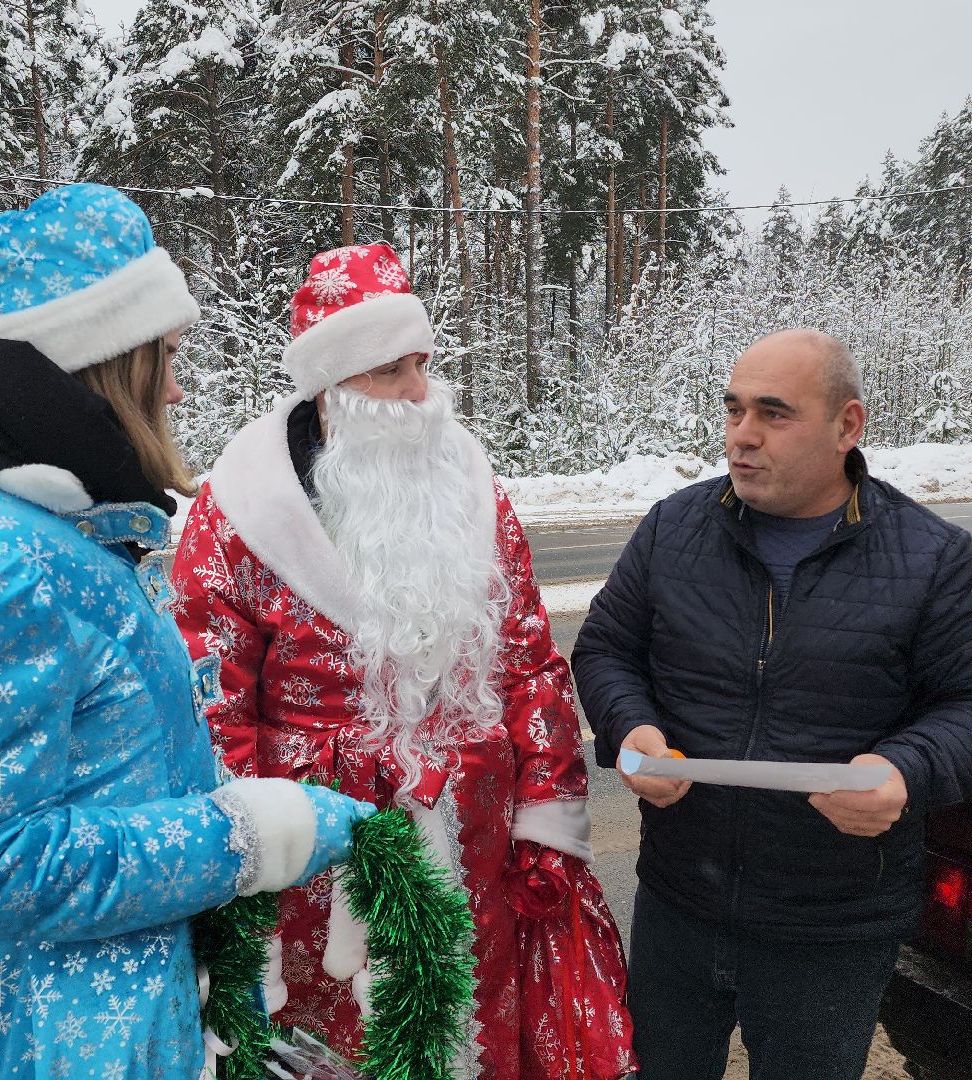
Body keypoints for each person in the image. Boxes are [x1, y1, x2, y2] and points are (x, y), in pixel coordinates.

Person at [0, 183, 373, 1080]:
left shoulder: (67, 542)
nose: (177, 385)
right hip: (25, 1045)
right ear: (100, 362)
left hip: (95, 1035)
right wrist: (243, 836)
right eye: (164, 354)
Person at [172, 244, 634, 1079]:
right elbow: (209, 703)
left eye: (422, 363)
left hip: (473, 836)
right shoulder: (240, 513)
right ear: (331, 385)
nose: (420, 394)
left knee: (470, 1029)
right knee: (339, 1048)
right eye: (390, 371)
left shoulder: (472, 486)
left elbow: (527, 659)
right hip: (318, 852)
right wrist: (238, 878)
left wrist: (546, 813)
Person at [571, 329, 972, 1080]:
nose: (741, 437)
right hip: (679, 901)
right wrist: (634, 728)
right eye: (733, 411)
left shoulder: (930, 557)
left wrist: (904, 769)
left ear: (848, 426)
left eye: (773, 414)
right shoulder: (674, 528)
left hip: (831, 926)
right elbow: (605, 650)